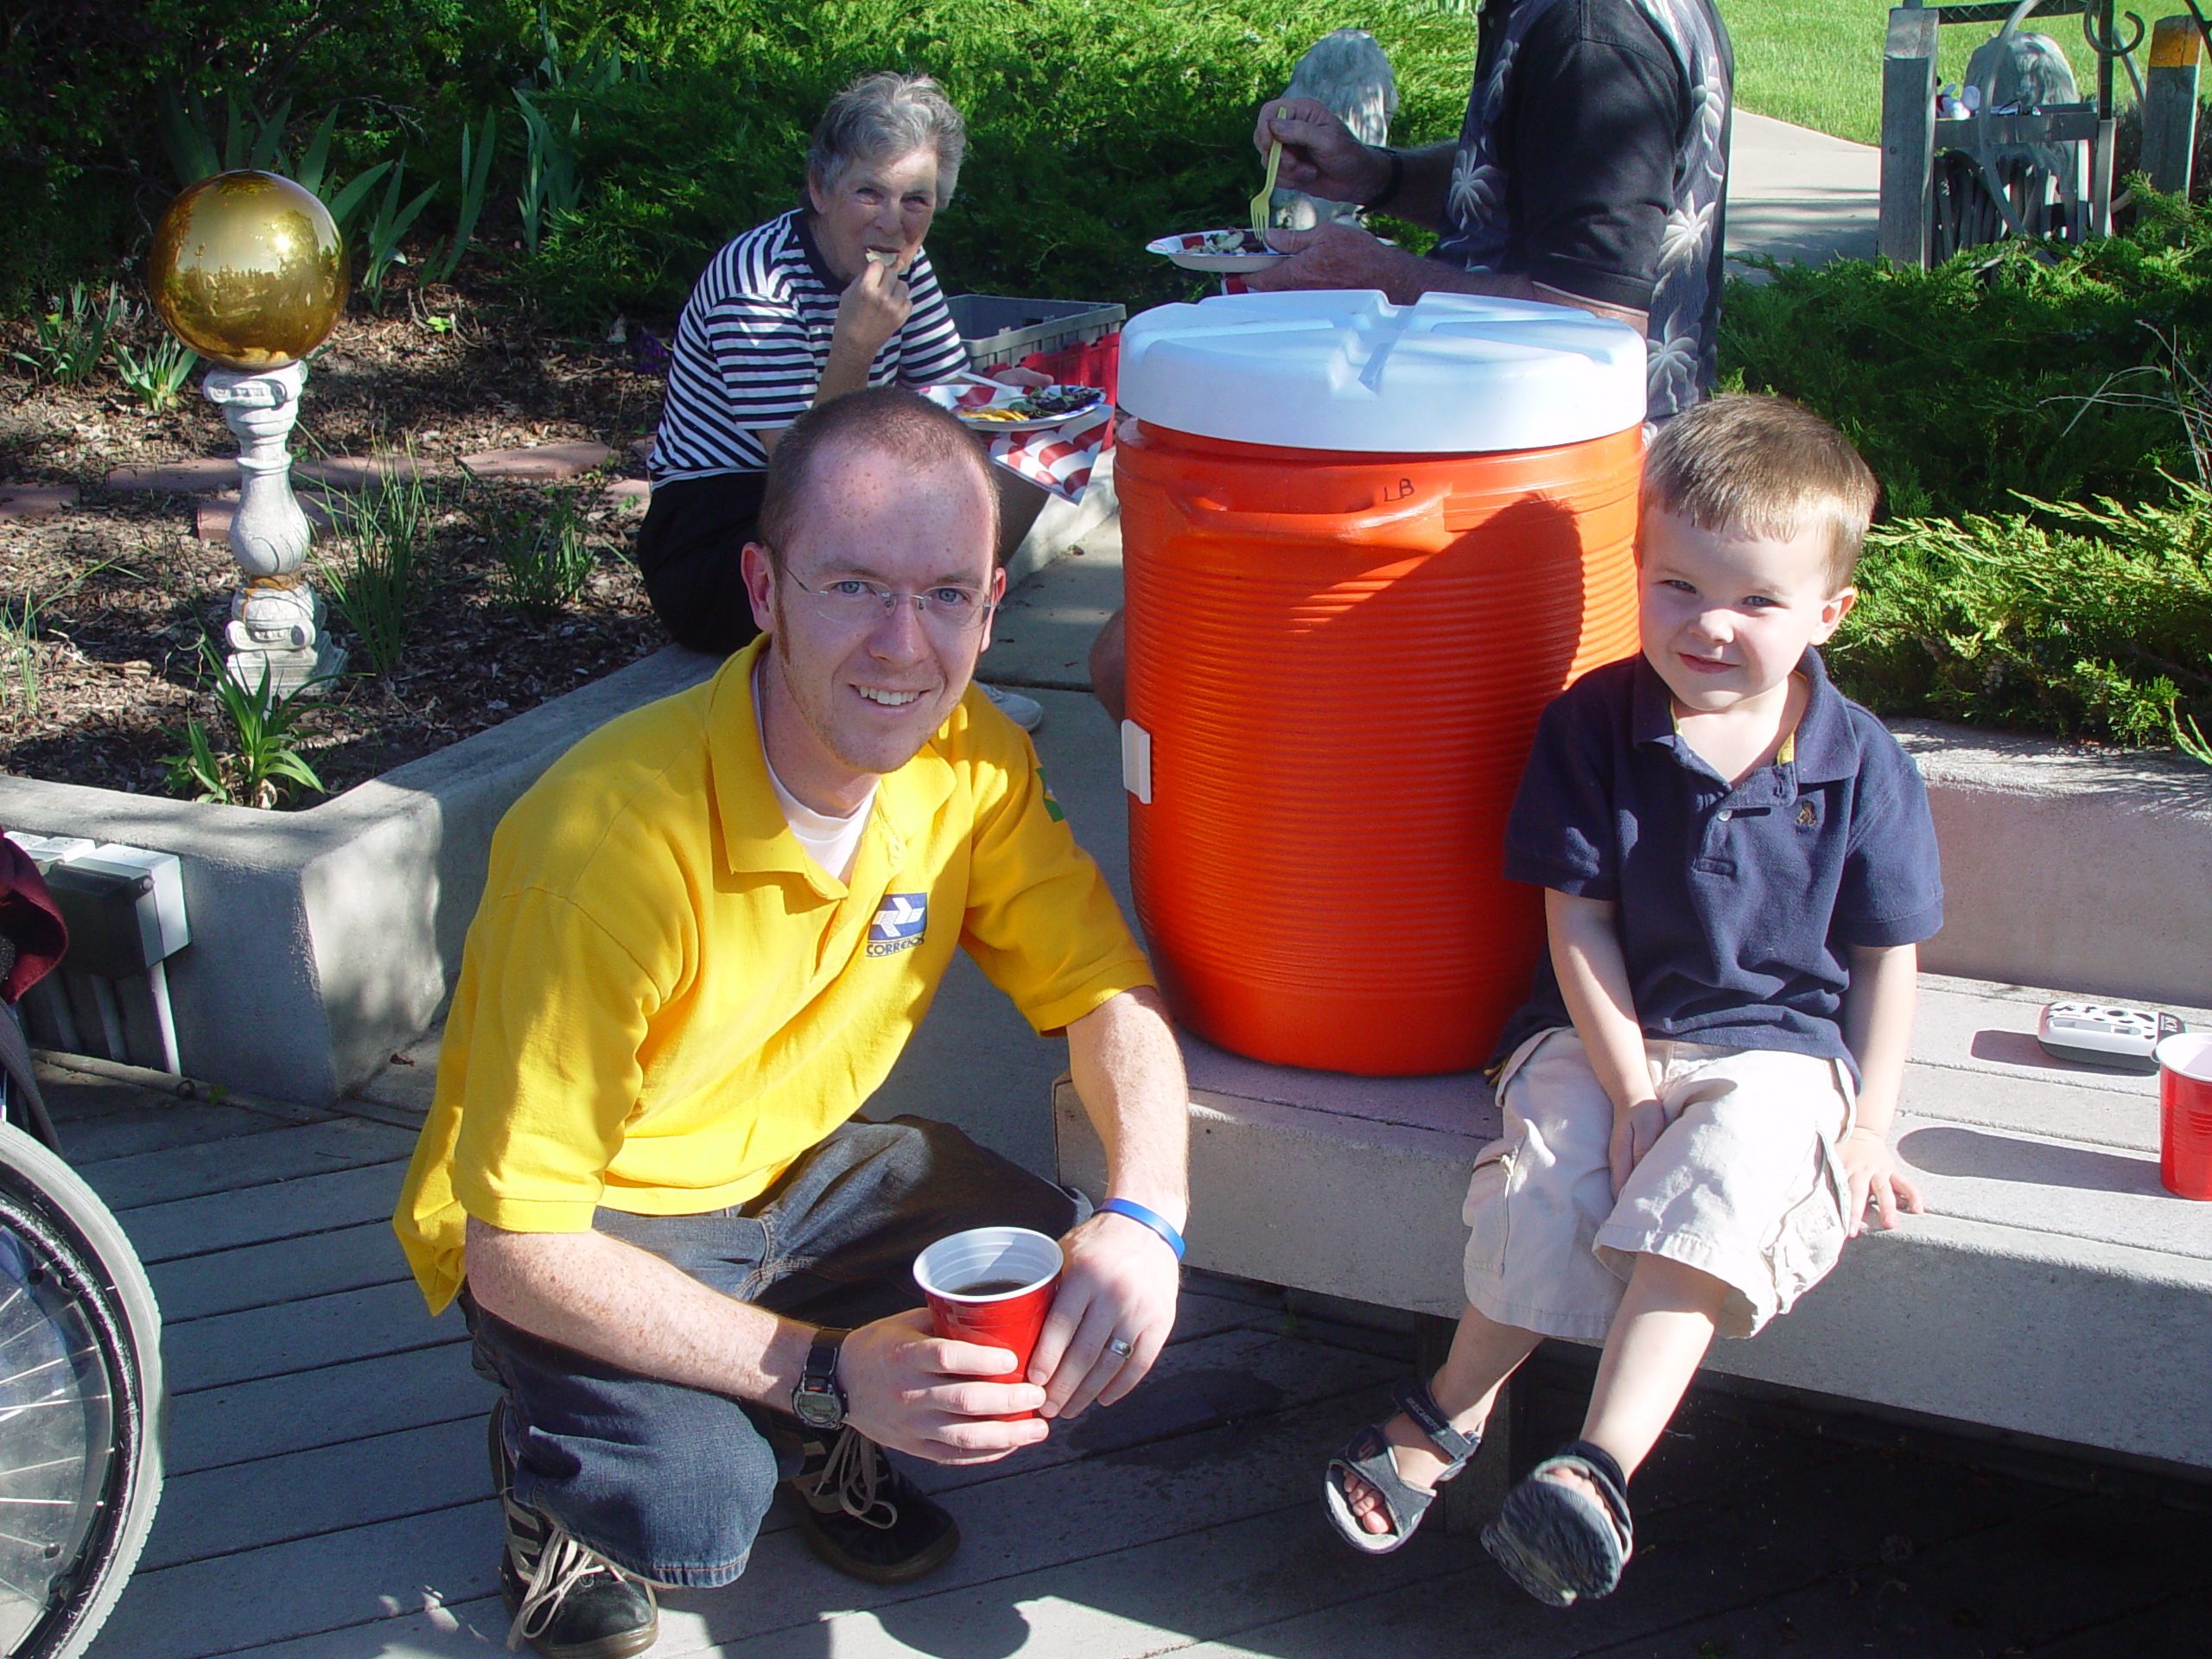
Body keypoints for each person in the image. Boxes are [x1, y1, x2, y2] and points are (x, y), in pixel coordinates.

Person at [394, 387, 1189, 1659]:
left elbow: (1106, 995)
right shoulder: (607, 844)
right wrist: (827, 1376)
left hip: (790, 1175)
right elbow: (516, 1249)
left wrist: (1146, 1220)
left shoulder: (967, 759)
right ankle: (555, 1476)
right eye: (854, 585)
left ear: (991, 610)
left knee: (1053, 1266)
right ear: (764, 590)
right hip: (595, 1223)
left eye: (944, 596)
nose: (901, 644)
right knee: (696, 1503)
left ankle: (815, 1395)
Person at [1317, 395, 1942, 1605]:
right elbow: (1578, 922)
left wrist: (1867, 1129)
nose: (1710, 627)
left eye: (1757, 601)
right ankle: (1450, 1412)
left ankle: (1594, 1471)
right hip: (1594, 1024)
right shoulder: (1593, 726)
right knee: (1549, 1176)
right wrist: (1628, 1086)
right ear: (1638, 572)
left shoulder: (1859, 759)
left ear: (1829, 614)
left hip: (1778, 1045)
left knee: (1726, 1180)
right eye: (1678, 588)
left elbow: (1885, 956)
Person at [1086, 0, 1732, 722]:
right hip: (1482, 450)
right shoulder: (1548, 16)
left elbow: (1596, 321)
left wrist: (1384, 276)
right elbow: (1531, 202)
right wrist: (1373, 176)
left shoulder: (1591, 36)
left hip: (1525, 481)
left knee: (1149, 669)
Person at [642, 69, 1046, 729]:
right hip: (723, 540)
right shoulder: (758, 283)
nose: (892, 221)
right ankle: (874, 690)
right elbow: (802, 473)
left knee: (1036, 450)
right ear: (820, 190)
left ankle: (940, 668)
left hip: (846, 501)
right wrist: (854, 347)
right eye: (869, 192)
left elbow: (947, 398)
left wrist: (1010, 400)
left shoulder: (905, 264)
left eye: (916, 201)